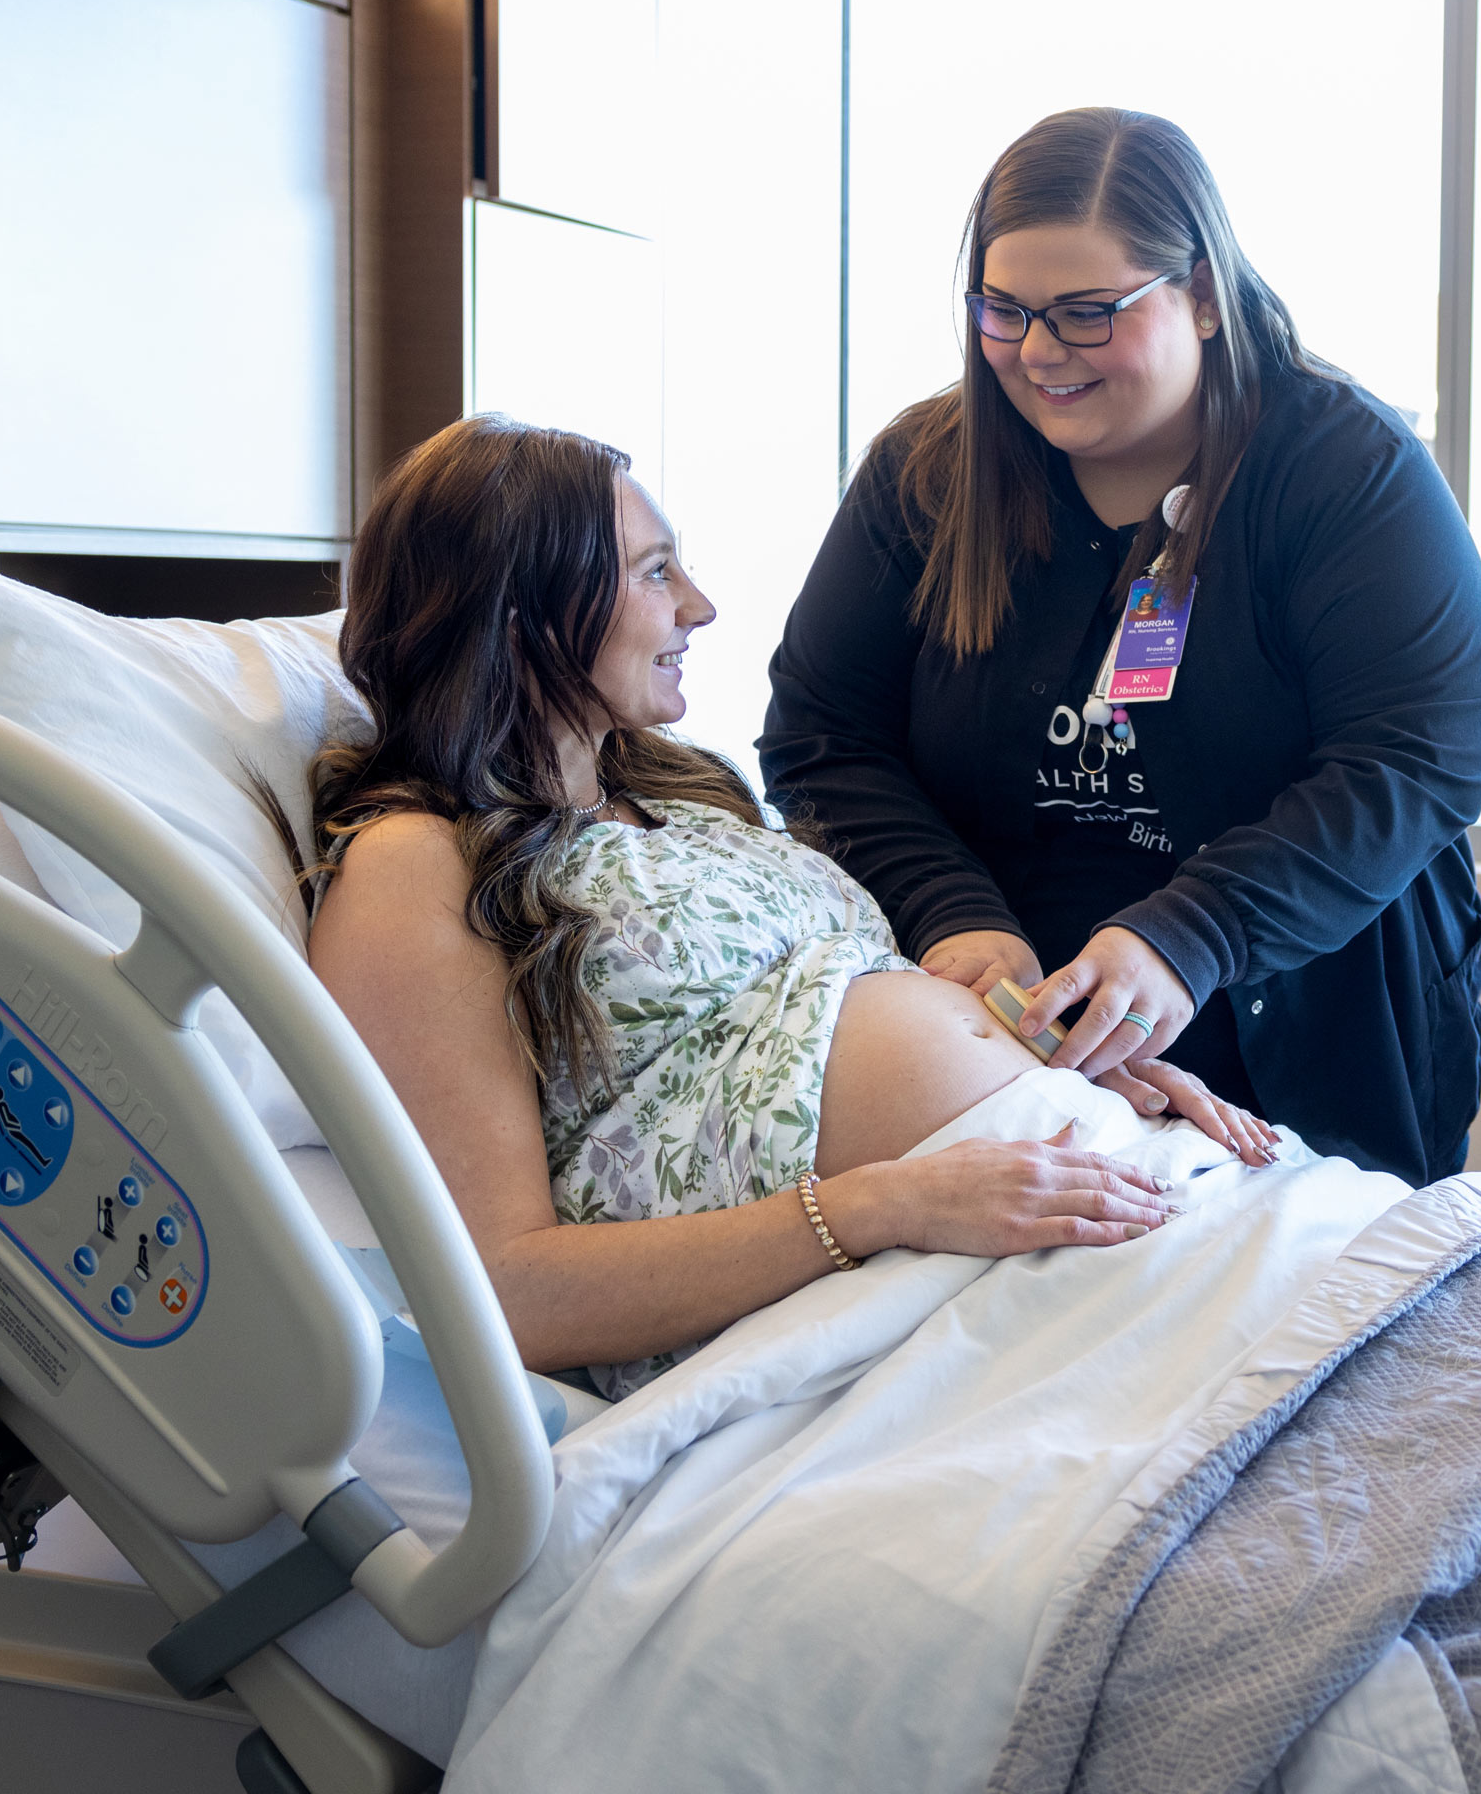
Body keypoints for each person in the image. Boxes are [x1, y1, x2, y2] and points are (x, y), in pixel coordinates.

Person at [305, 415, 1279, 1396]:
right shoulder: (415, 862)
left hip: (1039, 1185)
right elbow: (505, 1290)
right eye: (655, 572)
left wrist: (1061, 1055)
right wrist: (885, 1204)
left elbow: (823, 1003)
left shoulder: (679, 793)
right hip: (884, 1275)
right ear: (519, 610)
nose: (700, 605)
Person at [763, 108, 1481, 1185]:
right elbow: (823, 737)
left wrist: (1191, 934)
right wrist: (952, 916)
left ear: (1202, 293)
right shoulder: (924, 474)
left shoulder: (1344, 468)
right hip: (1010, 1045)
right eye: (1004, 311)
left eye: (1086, 312)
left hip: (1303, 1034)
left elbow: (1419, 754)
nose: (1039, 353)